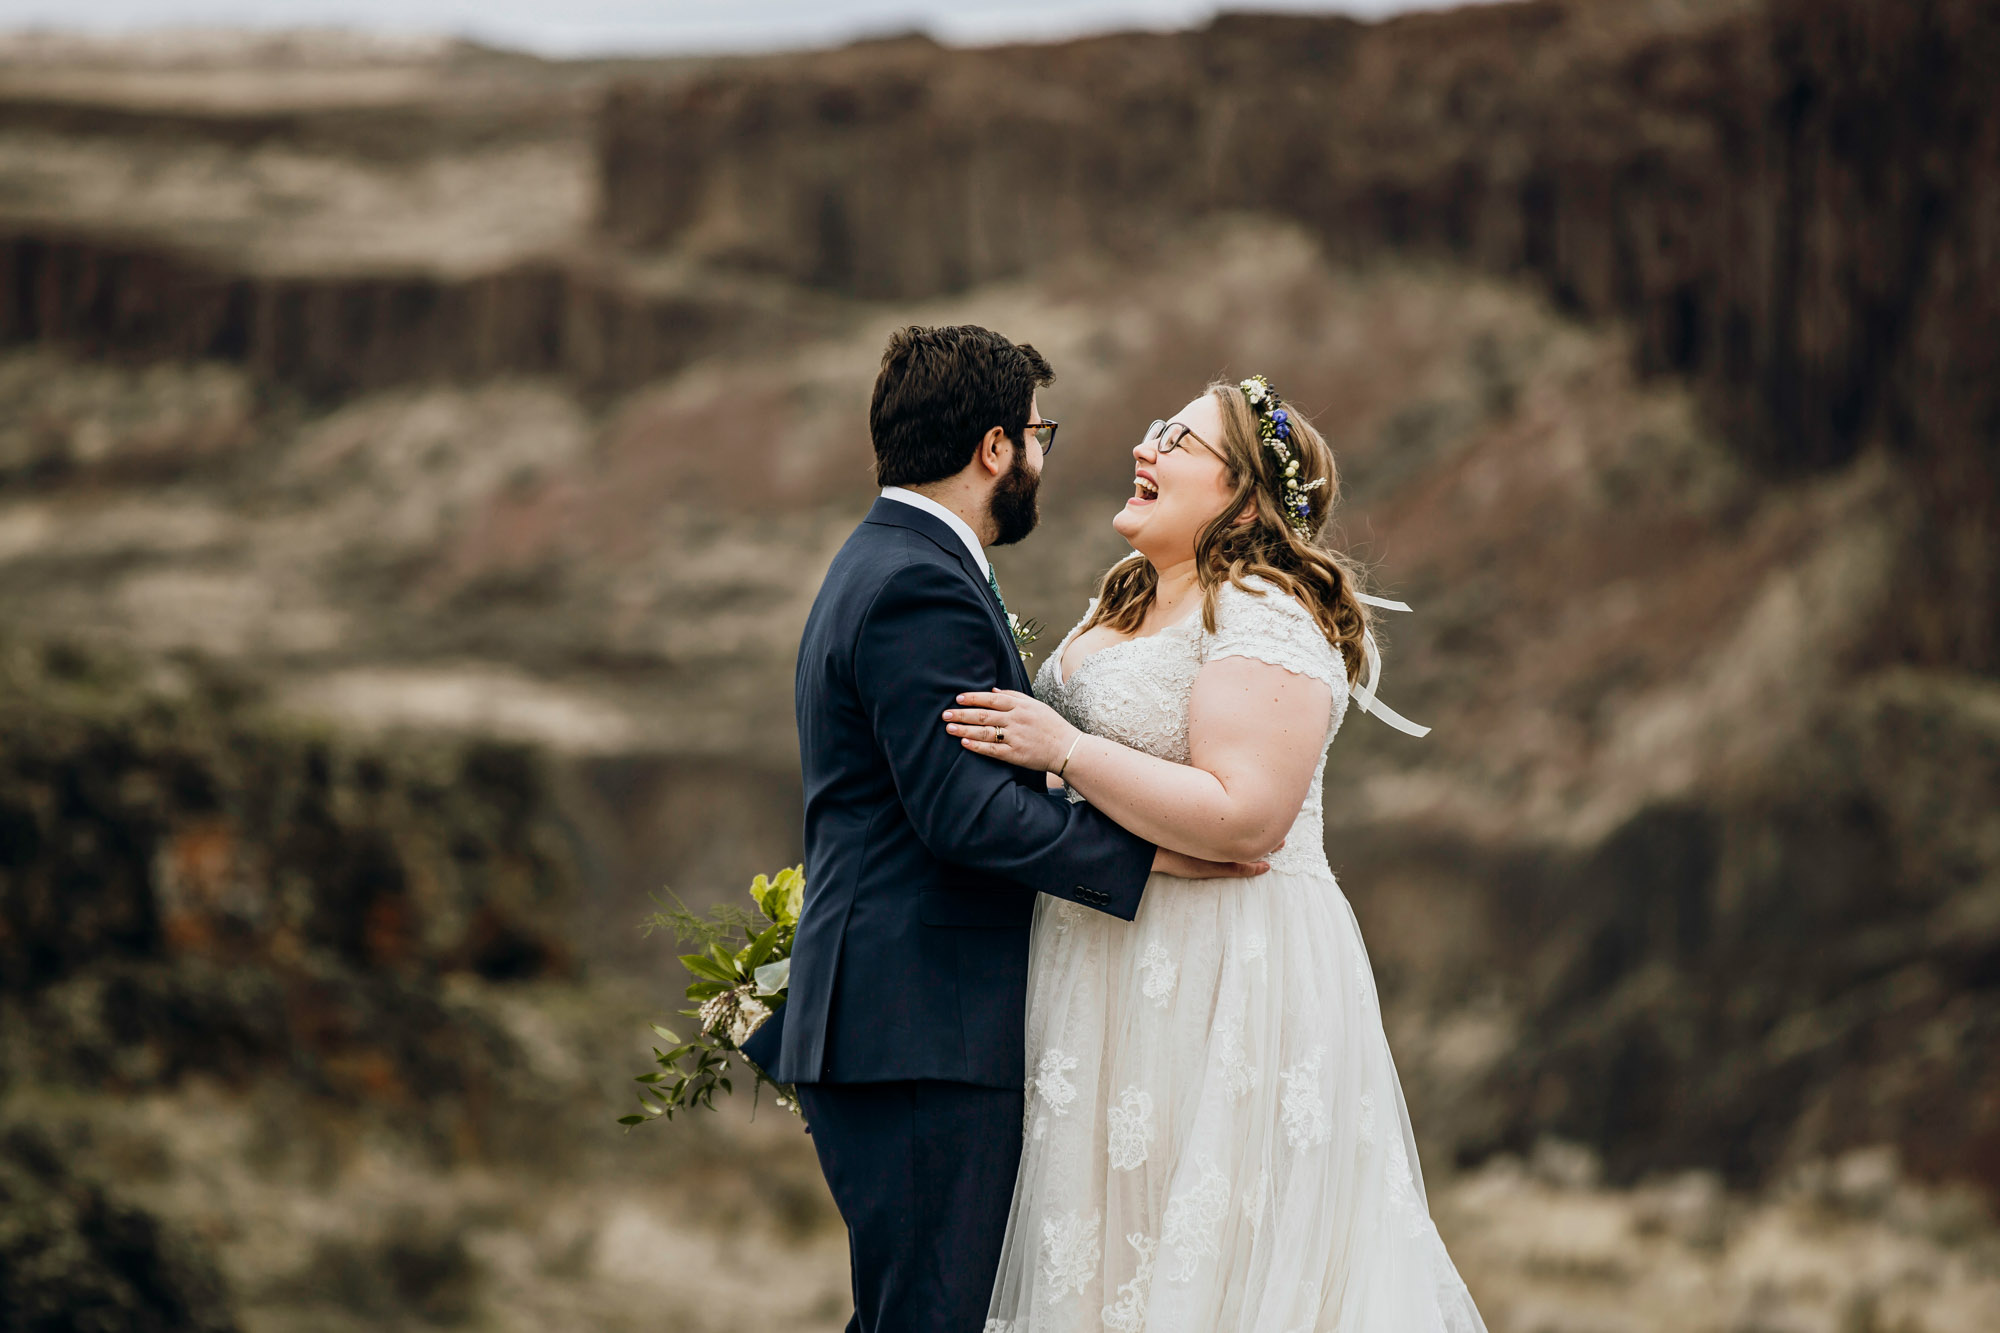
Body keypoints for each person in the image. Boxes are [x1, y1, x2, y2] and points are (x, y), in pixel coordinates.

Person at [741, 326, 1269, 1333]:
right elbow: (962, 811)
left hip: (903, 1026)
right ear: (994, 448)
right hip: (916, 1033)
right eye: (1038, 434)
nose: (1039, 456)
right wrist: (1160, 855)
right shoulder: (915, 580)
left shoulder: (896, 559)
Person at [943, 377, 1487, 1331]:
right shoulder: (1120, 604)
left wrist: (1064, 748)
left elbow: (1246, 818)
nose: (1144, 449)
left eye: (1179, 442)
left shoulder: (1263, 609)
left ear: (1242, 497)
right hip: (1098, 968)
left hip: (1219, 968)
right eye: (1152, 431)